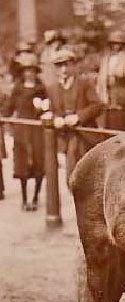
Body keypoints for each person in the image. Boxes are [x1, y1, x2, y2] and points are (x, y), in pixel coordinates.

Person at [47, 48, 105, 184]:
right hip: (65, 137)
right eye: (59, 66)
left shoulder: (84, 84)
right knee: (71, 176)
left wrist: (79, 117)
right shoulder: (52, 88)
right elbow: (51, 110)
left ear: (74, 65)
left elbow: (98, 105)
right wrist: (56, 119)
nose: (63, 69)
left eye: (67, 64)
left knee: (87, 176)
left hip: (84, 135)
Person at [1, 52, 47, 211]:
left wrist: (42, 109)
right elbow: (9, 108)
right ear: (22, 72)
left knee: (39, 163)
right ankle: (24, 198)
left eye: (32, 70)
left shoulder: (42, 89)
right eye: (26, 70)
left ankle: (35, 197)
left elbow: (48, 109)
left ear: (36, 72)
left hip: (37, 130)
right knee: (22, 165)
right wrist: (3, 117)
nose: (29, 73)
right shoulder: (17, 89)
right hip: (22, 130)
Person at [96, 31, 125, 130]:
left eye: (119, 43)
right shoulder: (106, 59)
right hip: (107, 96)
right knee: (108, 125)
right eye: (114, 43)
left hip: (123, 98)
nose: (116, 46)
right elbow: (101, 80)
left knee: (122, 125)